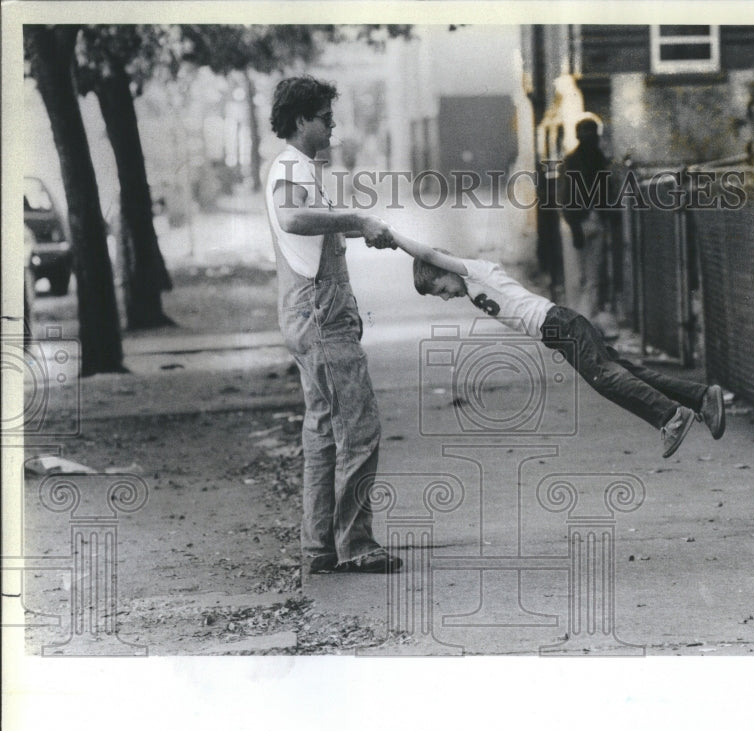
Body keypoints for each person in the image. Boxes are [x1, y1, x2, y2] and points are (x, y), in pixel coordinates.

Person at [392, 230, 725, 458]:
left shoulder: (474, 272)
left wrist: (391, 237)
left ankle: (670, 416)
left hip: (559, 323)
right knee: (622, 372)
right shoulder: (471, 286)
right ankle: (700, 398)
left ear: (443, 270)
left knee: (605, 378)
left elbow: (427, 253)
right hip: (559, 329)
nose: (446, 297)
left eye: (441, 289)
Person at [264, 75, 401, 575]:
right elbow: (293, 220)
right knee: (359, 427)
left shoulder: (300, 167)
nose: (333, 123)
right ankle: (356, 545)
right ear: (301, 120)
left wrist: (357, 229)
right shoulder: (290, 167)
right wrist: (355, 220)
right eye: (325, 116)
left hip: (313, 309)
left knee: (323, 430)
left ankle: (319, 546)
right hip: (319, 314)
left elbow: (308, 231)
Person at [558, 114, 615, 332]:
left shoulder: (600, 160)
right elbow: (565, 197)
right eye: (586, 132)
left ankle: (587, 321)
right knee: (577, 277)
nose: (590, 137)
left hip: (594, 220)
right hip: (577, 222)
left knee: (592, 277)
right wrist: (574, 227)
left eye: (592, 132)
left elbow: (606, 192)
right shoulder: (571, 161)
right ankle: (577, 321)